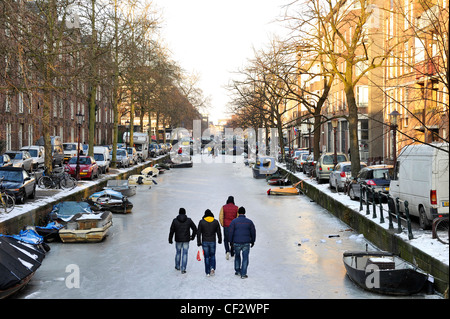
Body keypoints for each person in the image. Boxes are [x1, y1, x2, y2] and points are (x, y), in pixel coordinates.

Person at [228, 206, 256, 279]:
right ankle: (243, 274)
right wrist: (253, 241)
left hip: (236, 242)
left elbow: (230, 232)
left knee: (237, 256)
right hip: (246, 243)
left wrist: (230, 241)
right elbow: (253, 232)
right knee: (245, 258)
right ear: (244, 212)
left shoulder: (234, 221)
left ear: (238, 213)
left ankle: (237, 271)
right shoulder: (249, 222)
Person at [168, 208, 197, 274]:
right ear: (185, 213)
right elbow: (195, 229)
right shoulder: (189, 220)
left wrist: (170, 239)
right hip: (186, 239)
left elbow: (171, 231)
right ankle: (183, 268)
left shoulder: (175, 221)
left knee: (178, 252)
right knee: (185, 253)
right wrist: (192, 237)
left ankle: (177, 266)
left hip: (178, 239)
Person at [197, 209, 222, 277]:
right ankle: (212, 267)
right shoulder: (215, 222)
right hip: (212, 241)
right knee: (213, 255)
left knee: (206, 257)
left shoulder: (201, 222)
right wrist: (220, 239)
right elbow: (218, 232)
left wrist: (198, 242)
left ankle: (207, 272)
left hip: (205, 241)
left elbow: (198, 233)